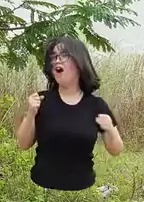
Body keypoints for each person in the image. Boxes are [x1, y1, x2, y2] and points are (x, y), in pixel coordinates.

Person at [16, 36, 123, 191]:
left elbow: (115, 150)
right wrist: (31, 113)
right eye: (54, 57)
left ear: (79, 62)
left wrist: (110, 129)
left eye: (64, 55)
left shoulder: (96, 105)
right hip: (41, 188)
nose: (57, 60)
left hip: (82, 190)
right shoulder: (41, 100)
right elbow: (23, 144)